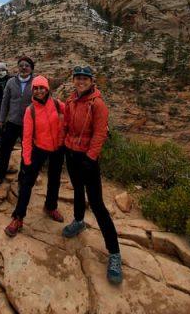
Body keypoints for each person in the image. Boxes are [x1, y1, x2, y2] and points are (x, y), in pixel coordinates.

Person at [61, 65, 122, 284]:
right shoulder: (70, 101)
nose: (81, 81)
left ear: (91, 80)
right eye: (78, 78)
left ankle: (114, 253)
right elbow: (66, 125)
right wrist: (63, 145)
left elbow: (100, 133)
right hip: (72, 154)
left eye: (84, 78)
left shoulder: (98, 104)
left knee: (96, 203)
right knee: (77, 190)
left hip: (88, 158)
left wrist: (91, 156)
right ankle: (78, 221)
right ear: (74, 80)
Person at [4, 75, 65, 237]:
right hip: (39, 149)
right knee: (26, 183)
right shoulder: (30, 110)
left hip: (58, 148)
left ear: (47, 89)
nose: (39, 91)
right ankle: (18, 217)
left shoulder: (58, 105)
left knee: (55, 180)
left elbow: (73, 114)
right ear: (33, 90)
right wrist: (27, 159)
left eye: (42, 88)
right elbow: (26, 138)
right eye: (36, 88)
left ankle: (50, 206)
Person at [0, 56, 36, 188]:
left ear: (31, 68)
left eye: (27, 65)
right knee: (4, 149)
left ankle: (23, 178)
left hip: (29, 124)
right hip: (12, 121)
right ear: (18, 67)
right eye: (21, 65)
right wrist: (1, 120)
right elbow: (5, 102)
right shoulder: (11, 82)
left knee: (26, 152)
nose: (24, 68)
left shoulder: (35, 82)